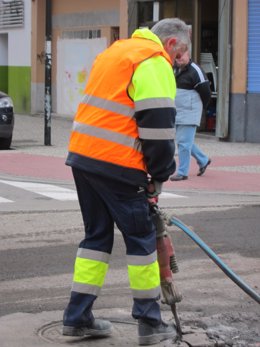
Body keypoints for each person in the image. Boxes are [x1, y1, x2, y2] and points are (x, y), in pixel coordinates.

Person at [62, 18, 190, 346]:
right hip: (117, 163)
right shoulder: (153, 61)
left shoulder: (116, 52)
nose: (178, 62)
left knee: (96, 238)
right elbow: (159, 127)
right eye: (180, 54)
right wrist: (159, 176)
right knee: (142, 241)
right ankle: (149, 322)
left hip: (83, 157)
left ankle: (77, 319)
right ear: (171, 44)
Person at [170, 49, 211, 181]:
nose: (178, 59)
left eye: (180, 56)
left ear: (188, 53)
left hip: (190, 110)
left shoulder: (195, 70)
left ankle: (182, 172)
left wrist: (200, 110)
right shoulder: (174, 69)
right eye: (176, 57)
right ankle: (203, 160)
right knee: (185, 141)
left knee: (183, 143)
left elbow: (206, 92)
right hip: (178, 110)